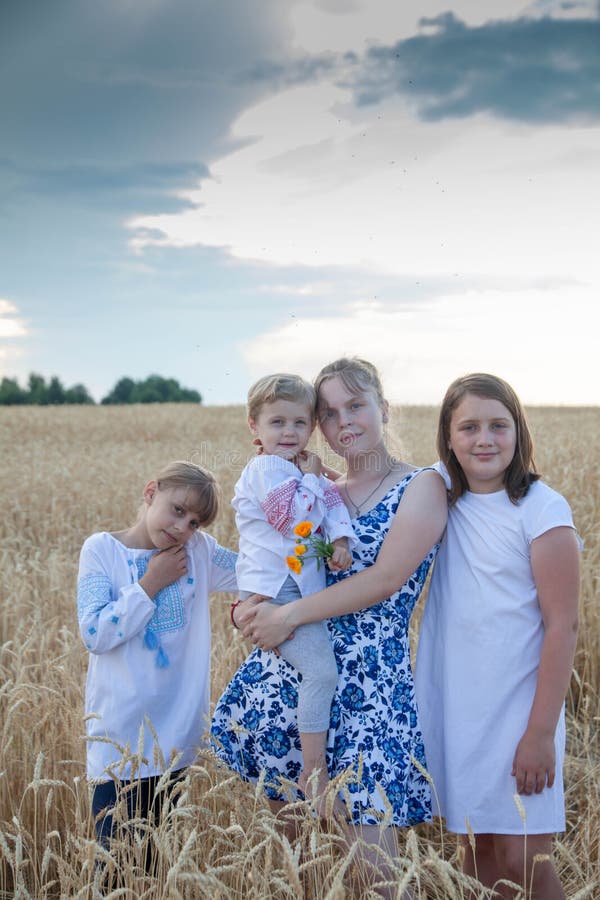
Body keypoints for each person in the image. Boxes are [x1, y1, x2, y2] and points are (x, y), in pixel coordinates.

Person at [211, 358, 447, 891]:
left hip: (369, 687)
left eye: (356, 405)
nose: (345, 422)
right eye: (329, 412)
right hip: (292, 681)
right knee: (306, 870)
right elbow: (274, 554)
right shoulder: (319, 489)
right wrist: (250, 607)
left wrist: (285, 614)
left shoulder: (421, 485)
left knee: (377, 874)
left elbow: (384, 579)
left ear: (383, 409)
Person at [415, 373, 580, 900]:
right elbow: (368, 485)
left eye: (498, 425)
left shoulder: (540, 508)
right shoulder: (439, 498)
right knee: (475, 852)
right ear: (448, 437)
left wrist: (538, 734)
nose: (484, 439)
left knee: (523, 860)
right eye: (469, 427)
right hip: (461, 709)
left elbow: (563, 627)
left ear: (518, 431)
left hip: (520, 711)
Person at [77, 460, 237, 855]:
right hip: (119, 742)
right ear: (151, 493)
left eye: (196, 522)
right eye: (178, 510)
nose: (184, 527)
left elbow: (256, 572)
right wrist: (150, 583)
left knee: (154, 863)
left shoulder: (198, 553)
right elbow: (95, 633)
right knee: (115, 864)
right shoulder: (102, 550)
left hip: (175, 741)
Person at [231, 373, 356, 812]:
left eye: (299, 423)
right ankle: (313, 772)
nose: (288, 432)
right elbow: (291, 519)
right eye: (277, 422)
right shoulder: (266, 468)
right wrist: (314, 476)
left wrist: (340, 542)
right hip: (275, 593)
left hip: (298, 587)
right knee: (321, 673)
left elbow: (333, 506)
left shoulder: (297, 469)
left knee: (311, 675)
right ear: (255, 427)